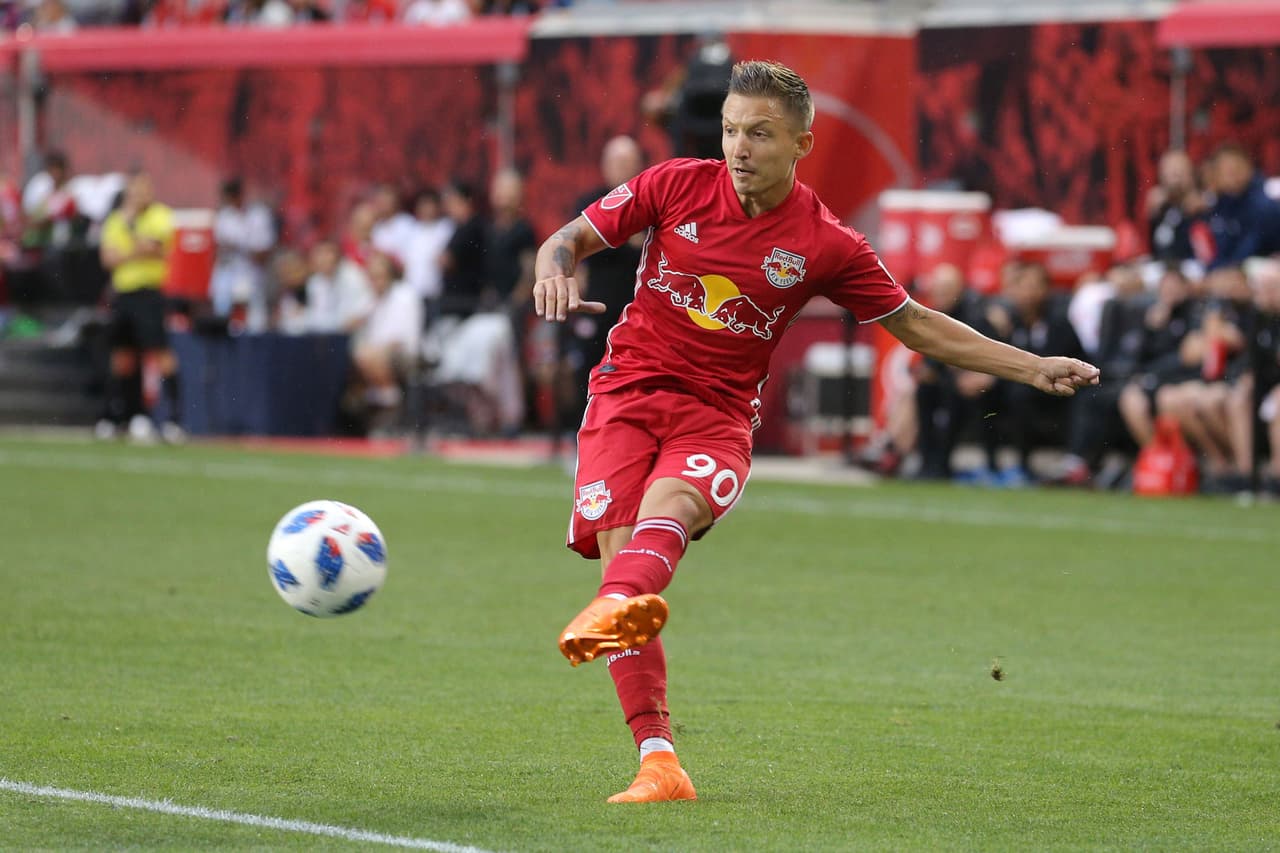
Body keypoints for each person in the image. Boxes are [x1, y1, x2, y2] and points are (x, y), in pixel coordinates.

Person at [531, 60, 1100, 804]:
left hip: (717, 415)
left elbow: (918, 325)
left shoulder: (826, 242)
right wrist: (554, 269)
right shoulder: (674, 184)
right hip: (626, 396)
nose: (739, 147)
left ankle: (620, 607)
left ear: (802, 143)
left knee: (664, 519)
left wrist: (1031, 367)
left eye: (759, 134)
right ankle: (659, 761)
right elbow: (568, 238)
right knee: (623, 566)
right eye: (730, 130)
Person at [96, 171, 183, 444]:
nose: (140, 194)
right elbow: (107, 259)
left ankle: (173, 419)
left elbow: (154, 248)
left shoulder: (160, 216)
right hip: (123, 294)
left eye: (145, 188)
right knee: (122, 357)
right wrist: (135, 248)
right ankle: (122, 416)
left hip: (149, 293)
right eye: (135, 189)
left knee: (160, 352)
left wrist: (128, 246)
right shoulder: (116, 219)